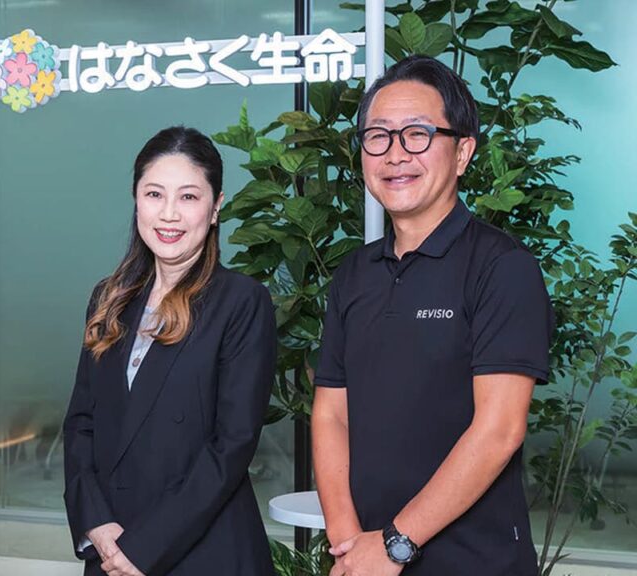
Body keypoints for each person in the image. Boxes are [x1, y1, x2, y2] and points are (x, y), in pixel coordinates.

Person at [311, 55, 554, 576]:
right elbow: (331, 414)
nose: (395, 154)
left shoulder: (502, 267)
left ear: (462, 151)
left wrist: (395, 544)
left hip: (475, 562)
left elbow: (498, 430)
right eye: (378, 136)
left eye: (417, 134)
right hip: (368, 556)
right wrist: (350, 544)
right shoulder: (353, 274)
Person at [62, 126, 277, 576]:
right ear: (136, 199)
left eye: (189, 197)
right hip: (111, 547)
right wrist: (96, 524)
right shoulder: (109, 298)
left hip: (202, 552)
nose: (169, 214)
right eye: (154, 194)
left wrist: (143, 548)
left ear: (215, 208)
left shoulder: (241, 302)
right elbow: (82, 423)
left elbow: (231, 446)